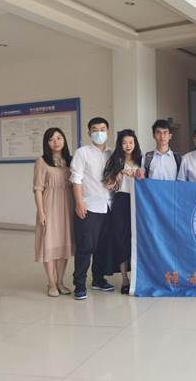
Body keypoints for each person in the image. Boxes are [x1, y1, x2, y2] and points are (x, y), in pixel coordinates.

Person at [70, 117, 114, 300]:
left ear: (108, 131)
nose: (99, 133)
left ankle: (98, 279)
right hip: (89, 206)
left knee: (103, 246)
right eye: (95, 130)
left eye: (102, 129)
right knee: (85, 247)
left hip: (108, 206)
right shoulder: (82, 153)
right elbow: (76, 178)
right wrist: (79, 202)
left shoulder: (112, 153)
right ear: (89, 133)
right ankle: (79, 285)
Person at [33, 128, 74, 297]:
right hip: (49, 206)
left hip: (68, 205)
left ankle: (60, 282)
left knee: (64, 245)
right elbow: (38, 189)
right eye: (51, 139)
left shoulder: (70, 160)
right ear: (46, 143)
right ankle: (51, 282)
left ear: (64, 140)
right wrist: (41, 212)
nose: (56, 142)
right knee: (49, 244)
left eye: (59, 138)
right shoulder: (42, 162)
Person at [103, 130, 142, 295]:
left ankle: (137, 277)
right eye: (124, 143)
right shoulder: (115, 160)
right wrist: (120, 173)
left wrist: (140, 175)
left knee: (137, 240)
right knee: (121, 240)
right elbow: (107, 184)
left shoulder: (141, 160)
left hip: (138, 202)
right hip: (121, 201)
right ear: (120, 144)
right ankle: (125, 279)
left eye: (131, 142)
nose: (128, 146)